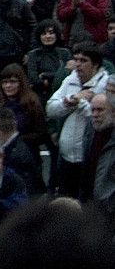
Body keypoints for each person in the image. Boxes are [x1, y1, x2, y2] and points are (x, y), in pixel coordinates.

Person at [46, 41, 111, 197]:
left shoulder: (105, 84)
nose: (78, 65)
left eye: (83, 61)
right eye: (76, 59)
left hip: (88, 159)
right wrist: (71, 100)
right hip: (66, 157)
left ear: (95, 64)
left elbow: (101, 119)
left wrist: (81, 104)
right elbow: (51, 108)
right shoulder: (70, 80)